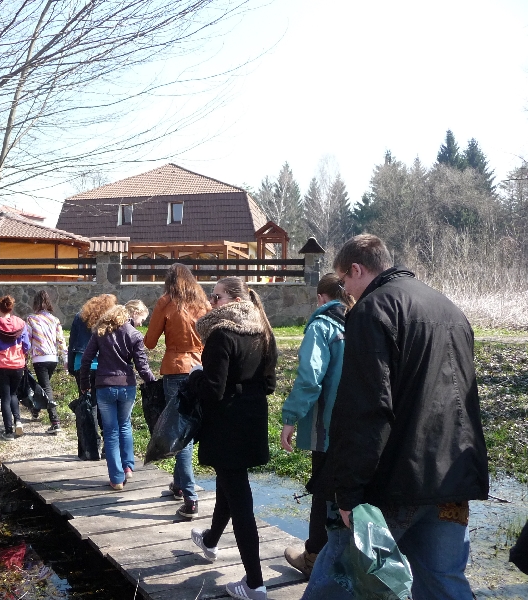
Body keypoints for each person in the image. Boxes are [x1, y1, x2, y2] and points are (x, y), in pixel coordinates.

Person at [303, 234, 489, 600]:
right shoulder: (450, 309)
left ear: (356, 269)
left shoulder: (373, 310)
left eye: (344, 280)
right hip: (450, 478)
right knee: (443, 583)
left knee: (341, 580)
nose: (346, 291)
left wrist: (349, 492)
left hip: (392, 481)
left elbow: (366, 409)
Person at [186, 277, 277, 600]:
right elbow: (269, 384)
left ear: (235, 300)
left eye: (217, 297)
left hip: (226, 425)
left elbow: (213, 390)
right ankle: (211, 540)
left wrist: (195, 377)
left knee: (240, 502)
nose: (212, 303)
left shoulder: (222, 334)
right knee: (230, 484)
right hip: (252, 422)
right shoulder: (262, 331)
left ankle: (255, 583)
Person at [279, 273, 354, 578]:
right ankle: (345, 561)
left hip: (327, 426)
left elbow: (310, 379)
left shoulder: (322, 326)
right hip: (359, 425)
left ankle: (313, 558)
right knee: (349, 492)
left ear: (321, 298)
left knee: (323, 492)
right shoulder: (361, 322)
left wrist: (290, 417)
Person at [144, 263, 210, 519]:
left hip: (175, 368)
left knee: (180, 433)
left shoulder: (166, 302)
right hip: (200, 369)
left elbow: (150, 342)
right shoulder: (203, 303)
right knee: (191, 427)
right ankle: (179, 485)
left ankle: (191, 498)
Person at [80, 305, 155, 490]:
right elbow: (142, 366)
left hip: (104, 386)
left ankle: (116, 479)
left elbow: (86, 359)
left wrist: (84, 384)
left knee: (111, 431)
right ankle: (128, 466)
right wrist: (153, 384)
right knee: (125, 425)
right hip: (127, 386)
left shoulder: (100, 332)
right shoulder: (134, 334)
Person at [0, 295, 30, 440]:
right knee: (13, 394)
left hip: (1, 365)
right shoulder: (21, 324)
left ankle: (9, 431)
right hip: (18, 364)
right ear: (11, 308)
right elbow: (26, 345)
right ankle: (18, 421)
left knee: (5, 397)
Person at [26, 290, 67, 435]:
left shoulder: (31, 319)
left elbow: (28, 340)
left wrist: (25, 357)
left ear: (35, 303)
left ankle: (55, 421)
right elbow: (61, 340)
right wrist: (65, 358)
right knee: (44, 385)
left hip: (39, 358)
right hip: (53, 358)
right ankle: (36, 409)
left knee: (46, 387)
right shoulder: (55, 319)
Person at [67, 294, 117, 393]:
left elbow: (72, 342)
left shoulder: (80, 317)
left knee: (85, 398)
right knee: (101, 400)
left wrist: (70, 365)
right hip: (103, 366)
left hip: (80, 364)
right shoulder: (109, 319)